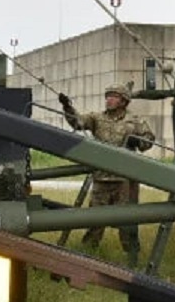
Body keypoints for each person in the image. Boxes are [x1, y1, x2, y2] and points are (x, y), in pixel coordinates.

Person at [59, 84, 155, 267]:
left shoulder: (134, 121)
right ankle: (87, 257)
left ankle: (133, 261)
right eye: (107, 96)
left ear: (123, 101)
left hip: (125, 181)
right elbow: (78, 122)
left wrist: (139, 140)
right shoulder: (96, 118)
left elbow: (149, 139)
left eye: (113, 96)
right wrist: (67, 107)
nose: (108, 99)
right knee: (95, 220)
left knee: (127, 221)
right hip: (101, 179)